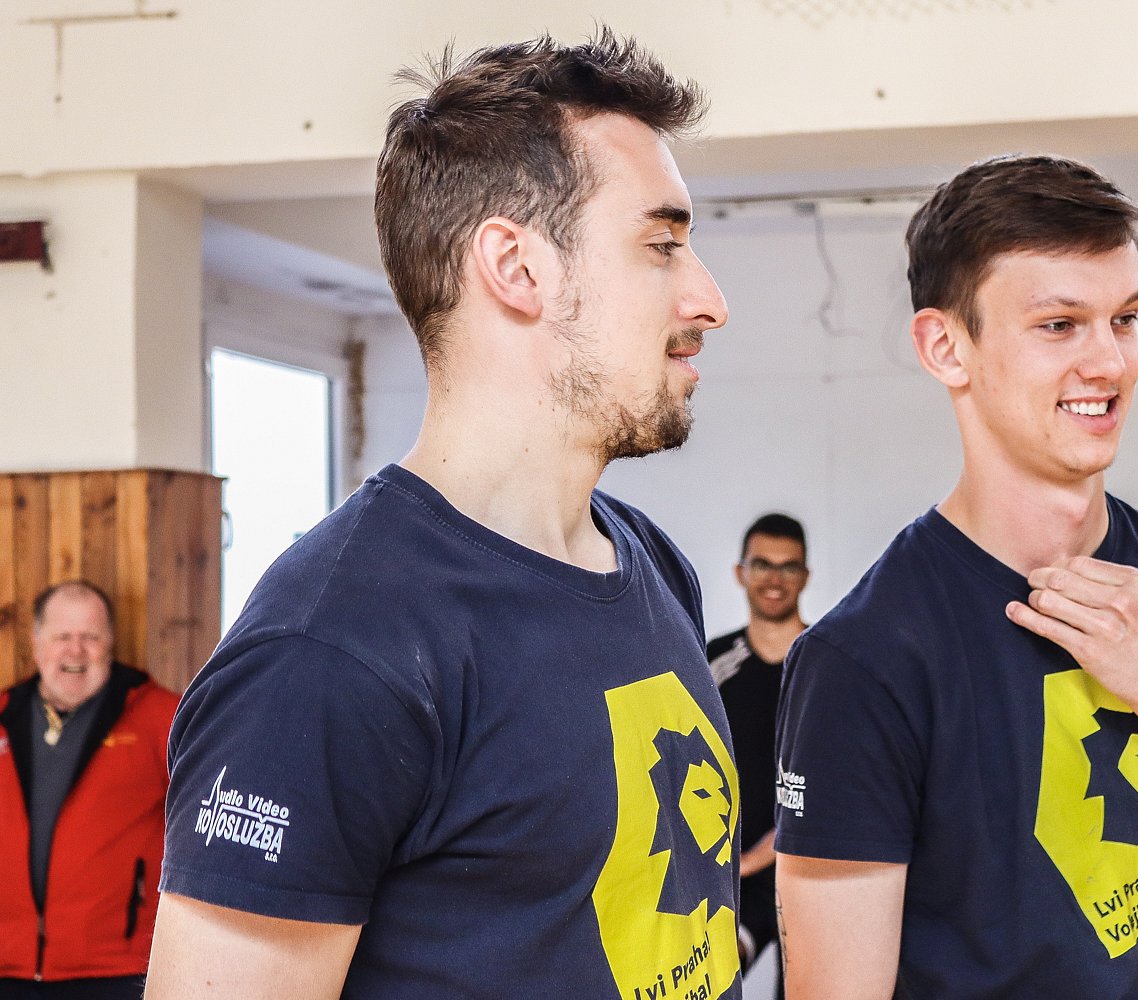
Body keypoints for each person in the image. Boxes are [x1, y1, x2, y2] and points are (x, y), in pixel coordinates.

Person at [146, 30, 739, 1000]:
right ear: (516, 266)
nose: (708, 299)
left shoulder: (650, 562)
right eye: (662, 245)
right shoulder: (330, 650)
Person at [773, 155, 1138, 999]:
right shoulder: (864, 659)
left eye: (1125, 319)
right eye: (1060, 325)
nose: (1109, 363)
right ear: (946, 348)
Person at [0, 580, 178, 999]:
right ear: (37, 644)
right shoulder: (4, 714)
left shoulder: (162, 718)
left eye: (90, 637)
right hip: (8, 969)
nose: (76, 651)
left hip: (116, 971)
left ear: (110, 643)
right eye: (62, 636)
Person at [708, 514, 809, 994]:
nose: (774, 578)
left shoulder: (828, 662)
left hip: (809, 865)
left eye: (788, 567)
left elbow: (843, 776)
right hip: (729, 873)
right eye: (762, 564)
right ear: (740, 572)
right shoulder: (711, 661)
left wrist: (761, 853)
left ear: (804, 576)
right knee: (711, 975)